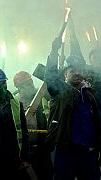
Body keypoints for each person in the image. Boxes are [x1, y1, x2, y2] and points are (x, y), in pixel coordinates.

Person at [45, 37, 101, 180]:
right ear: (65, 75)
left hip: (88, 150)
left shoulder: (91, 95)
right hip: (66, 150)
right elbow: (50, 76)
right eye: (72, 70)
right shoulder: (60, 92)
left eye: (79, 70)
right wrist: (53, 52)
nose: (76, 73)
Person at [13, 71, 53, 180]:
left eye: (30, 83)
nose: (31, 86)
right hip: (24, 152)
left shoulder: (41, 97)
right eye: (27, 84)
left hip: (43, 147)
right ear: (19, 88)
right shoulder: (14, 103)